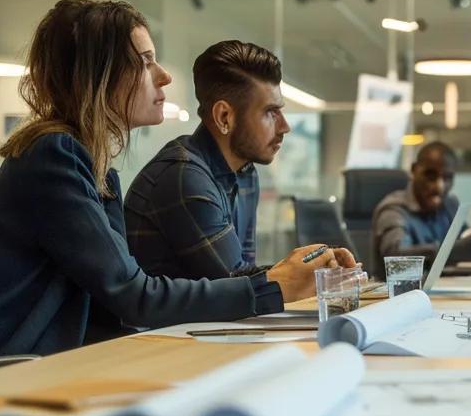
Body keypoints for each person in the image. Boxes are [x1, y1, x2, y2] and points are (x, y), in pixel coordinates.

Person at [0, 0, 330, 362]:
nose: (162, 77)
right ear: (100, 76)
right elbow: (131, 294)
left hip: (59, 360)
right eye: (145, 62)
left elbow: (121, 300)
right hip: (5, 368)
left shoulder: (94, 165)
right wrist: (275, 285)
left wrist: (283, 278)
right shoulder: (53, 156)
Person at [125, 40, 352, 283]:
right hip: (171, 323)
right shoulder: (183, 177)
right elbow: (236, 286)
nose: (284, 126)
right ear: (224, 117)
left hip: (211, 321)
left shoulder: (245, 173)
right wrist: (309, 273)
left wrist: (317, 267)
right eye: (270, 113)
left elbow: (243, 274)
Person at [371, 141, 471, 278]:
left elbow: (466, 246)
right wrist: (449, 252)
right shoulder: (393, 210)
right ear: (414, 170)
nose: (439, 187)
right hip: (401, 296)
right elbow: (395, 258)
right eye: (430, 176)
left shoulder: (450, 204)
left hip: (444, 292)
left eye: (447, 178)